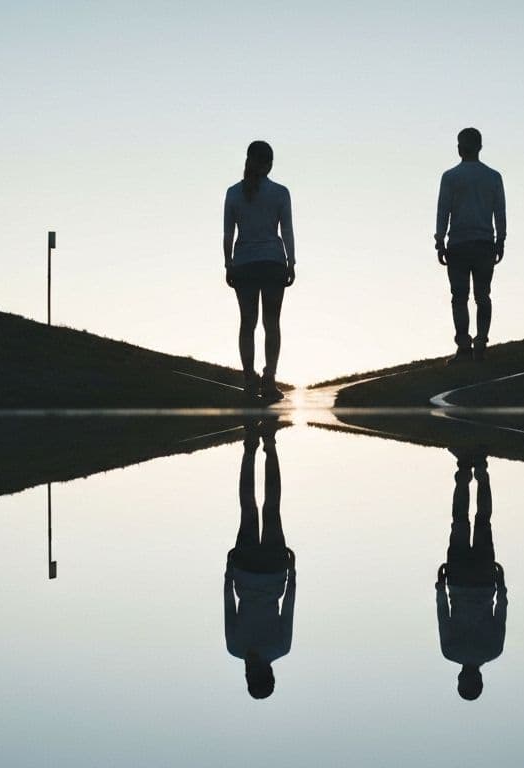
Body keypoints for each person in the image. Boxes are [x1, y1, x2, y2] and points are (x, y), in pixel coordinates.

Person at [224, 420, 296, 699]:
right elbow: (229, 606)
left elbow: (289, 607)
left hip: (270, 572)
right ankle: (254, 448)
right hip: (249, 571)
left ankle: (266, 446)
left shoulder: (279, 648)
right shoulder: (237, 648)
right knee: (251, 507)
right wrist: (229, 574)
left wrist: (292, 574)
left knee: (268, 506)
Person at [224, 140, 296, 401]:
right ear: (269, 164)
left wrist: (228, 263)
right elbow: (286, 230)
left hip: (244, 263)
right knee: (272, 323)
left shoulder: (233, 193)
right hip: (273, 263)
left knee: (247, 323)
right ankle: (269, 379)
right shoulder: (280, 193)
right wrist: (291, 261)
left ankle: (249, 380)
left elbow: (228, 233)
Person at [435, 448, 507, 700]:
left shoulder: (493, 650)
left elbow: (501, 611)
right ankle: (464, 471)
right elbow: (443, 614)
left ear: (479, 680)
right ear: (462, 680)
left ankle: (482, 472)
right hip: (458, 581)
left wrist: (501, 586)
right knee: (459, 521)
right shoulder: (450, 651)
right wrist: (440, 587)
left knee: (483, 521)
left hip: (484, 582)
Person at [434, 127, 506, 362]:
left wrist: (440, 239)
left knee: (459, 297)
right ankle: (481, 342)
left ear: (461, 147)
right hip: (485, 243)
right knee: (482, 296)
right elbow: (500, 210)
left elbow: (443, 209)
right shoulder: (493, 177)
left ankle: (464, 346)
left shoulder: (451, 177)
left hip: (459, 244)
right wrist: (500, 239)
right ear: (480, 147)